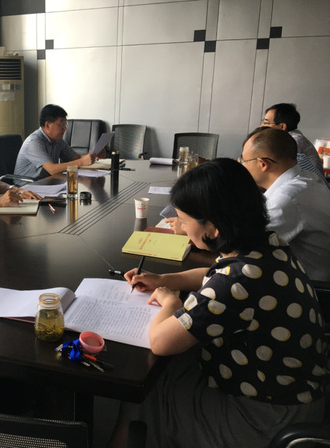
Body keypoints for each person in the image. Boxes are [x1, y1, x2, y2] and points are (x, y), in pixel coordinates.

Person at [108, 158, 327, 448]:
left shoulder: (238, 282)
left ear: (212, 228)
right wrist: (164, 278)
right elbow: (214, 273)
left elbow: (160, 341)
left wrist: (170, 302)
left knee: (144, 391)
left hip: (263, 417)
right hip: (297, 391)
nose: (181, 227)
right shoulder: (265, 244)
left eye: (184, 220)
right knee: (170, 367)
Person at [240, 127, 330, 282]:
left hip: (308, 287)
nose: (243, 166)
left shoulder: (286, 200)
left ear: (263, 164)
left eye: (244, 161)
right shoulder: (307, 177)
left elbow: (241, 249)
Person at [14, 104, 102, 180]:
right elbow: (52, 169)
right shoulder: (34, 142)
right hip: (27, 186)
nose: (65, 128)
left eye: (65, 124)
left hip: (47, 182)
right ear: (47, 125)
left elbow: (76, 158)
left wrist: (92, 156)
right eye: (61, 124)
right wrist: (82, 162)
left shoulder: (58, 140)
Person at [262, 103, 323, 173]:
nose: (262, 126)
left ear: (282, 126)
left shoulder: (294, 141)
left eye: (266, 123)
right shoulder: (287, 138)